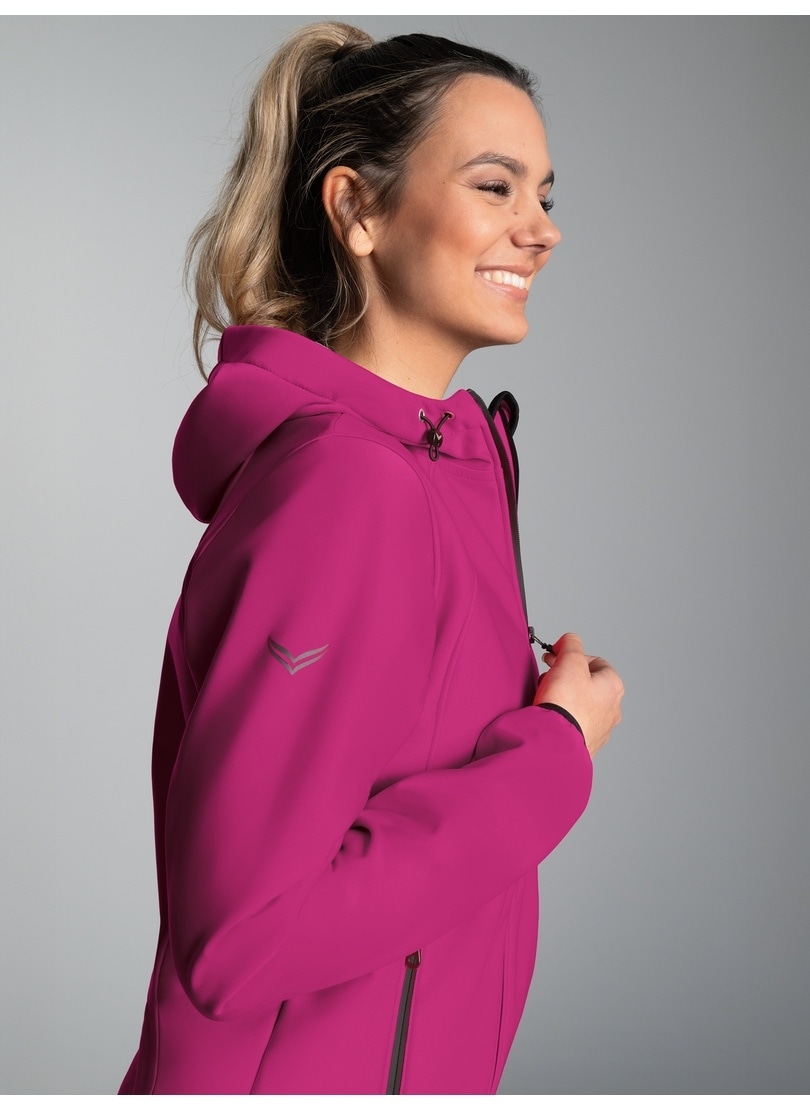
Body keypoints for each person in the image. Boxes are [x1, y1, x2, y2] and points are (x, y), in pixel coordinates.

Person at [119, 21, 623, 1096]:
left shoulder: (438, 470)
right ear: (356, 209)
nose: (541, 231)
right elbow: (243, 936)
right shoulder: (349, 487)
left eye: (544, 195)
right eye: (495, 186)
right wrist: (554, 754)